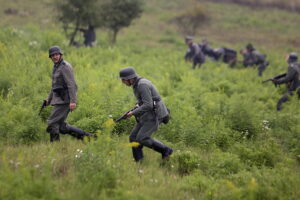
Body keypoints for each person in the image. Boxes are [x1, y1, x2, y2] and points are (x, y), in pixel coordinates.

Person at [119, 67, 173, 162]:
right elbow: (144, 100)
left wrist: (133, 113)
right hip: (146, 114)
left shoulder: (142, 85)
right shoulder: (136, 84)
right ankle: (139, 161)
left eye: (124, 80)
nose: (123, 82)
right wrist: (137, 106)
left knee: (142, 138)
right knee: (133, 137)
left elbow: (148, 104)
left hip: (154, 114)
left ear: (130, 78)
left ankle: (165, 150)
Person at [45, 46, 94, 142]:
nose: (55, 57)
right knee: (61, 126)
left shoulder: (64, 67)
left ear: (60, 55)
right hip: (59, 99)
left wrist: (73, 101)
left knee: (52, 123)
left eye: (56, 54)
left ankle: (55, 146)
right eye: (52, 55)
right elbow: (54, 86)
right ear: (50, 57)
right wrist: (49, 99)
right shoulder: (56, 67)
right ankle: (88, 138)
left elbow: (72, 85)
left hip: (65, 100)